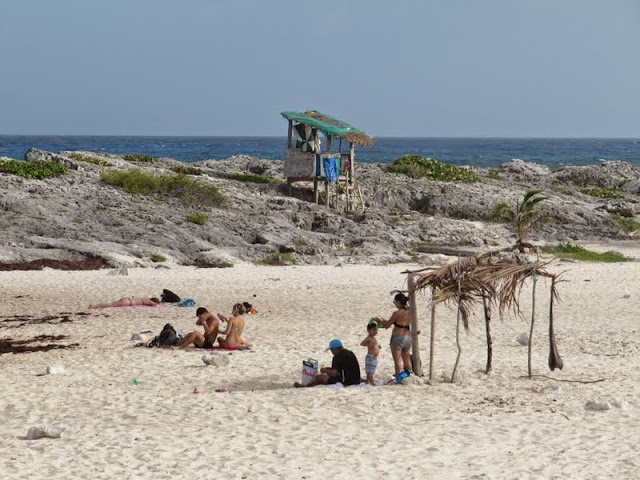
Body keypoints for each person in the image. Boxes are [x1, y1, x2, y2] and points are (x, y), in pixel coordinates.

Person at [294, 339, 361, 388]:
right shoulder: (350, 353)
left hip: (345, 381)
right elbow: (341, 368)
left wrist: (325, 371)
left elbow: (334, 373)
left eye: (331, 350)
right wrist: (329, 369)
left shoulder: (337, 356)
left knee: (319, 377)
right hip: (355, 379)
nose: (332, 352)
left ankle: (305, 386)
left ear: (335, 349)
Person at [377, 292, 412, 377]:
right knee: (406, 359)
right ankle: (410, 374)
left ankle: (397, 375)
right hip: (408, 336)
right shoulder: (410, 310)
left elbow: (386, 326)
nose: (394, 304)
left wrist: (379, 321)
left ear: (399, 302)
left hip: (397, 337)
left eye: (395, 302)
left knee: (397, 360)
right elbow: (395, 323)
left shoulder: (397, 313)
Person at [89, 296, 160, 309]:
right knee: (110, 305)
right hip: (128, 302)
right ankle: (94, 306)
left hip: (127, 299)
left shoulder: (144, 298)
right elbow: (154, 304)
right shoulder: (147, 301)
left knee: (111, 303)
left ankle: (95, 305)